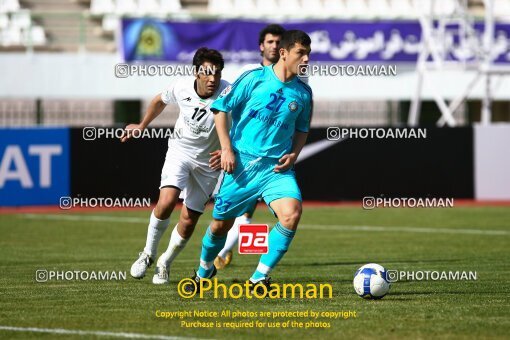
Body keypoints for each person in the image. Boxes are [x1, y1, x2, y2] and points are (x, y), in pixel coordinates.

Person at [186, 30, 313, 294]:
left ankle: (258, 278)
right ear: (284, 53)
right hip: (240, 166)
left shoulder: (303, 93)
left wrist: (295, 153)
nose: (306, 59)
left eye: (308, 53)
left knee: (291, 215)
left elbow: (302, 129)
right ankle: (203, 271)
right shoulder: (254, 78)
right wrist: (226, 149)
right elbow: (221, 109)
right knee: (221, 224)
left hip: (276, 169)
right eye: (301, 53)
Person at [124, 47, 229, 284]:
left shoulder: (229, 92)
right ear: (196, 72)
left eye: (217, 73)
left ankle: (165, 262)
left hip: (208, 163)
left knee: (189, 219)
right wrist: (142, 126)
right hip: (180, 152)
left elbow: (244, 122)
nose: (213, 78)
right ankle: (148, 254)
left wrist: (226, 149)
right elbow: (159, 101)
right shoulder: (181, 87)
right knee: (166, 202)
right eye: (207, 72)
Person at [213, 23, 286, 270]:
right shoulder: (250, 73)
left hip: (271, 158)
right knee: (226, 213)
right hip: (242, 154)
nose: (274, 46)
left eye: (278, 42)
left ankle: (224, 251)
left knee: (251, 211)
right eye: (270, 42)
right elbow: (227, 106)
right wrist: (227, 147)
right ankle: (218, 250)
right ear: (261, 46)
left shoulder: (294, 78)